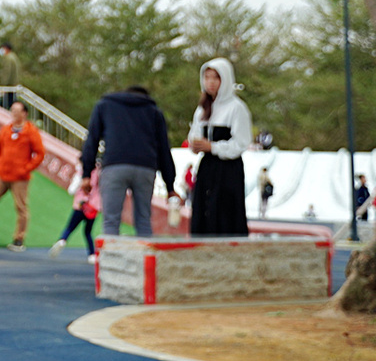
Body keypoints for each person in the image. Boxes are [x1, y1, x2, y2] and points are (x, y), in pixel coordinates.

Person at [80, 86, 179, 238]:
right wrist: (170, 186)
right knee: (143, 220)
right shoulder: (153, 111)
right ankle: (146, 260)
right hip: (145, 168)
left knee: (111, 221)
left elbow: (91, 141)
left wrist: (86, 174)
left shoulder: (105, 106)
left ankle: (112, 260)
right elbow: (163, 149)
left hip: (114, 166)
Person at [188, 58, 252, 236]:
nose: (210, 82)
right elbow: (194, 133)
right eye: (207, 77)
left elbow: (241, 143)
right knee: (203, 211)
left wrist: (213, 147)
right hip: (207, 167)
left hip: (228, 170)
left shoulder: (236, 108)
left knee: (225, 214)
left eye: (215, 78)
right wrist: (196, 145)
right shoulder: (202, 108)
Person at [0, 100, 45, 252]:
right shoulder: (6, 129)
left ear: (24, 113)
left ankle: (19, 238)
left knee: (21, 207)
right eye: (12, 110)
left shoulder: (31, 131)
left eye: (17, 111)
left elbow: (40, 153)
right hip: (2, 174)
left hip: (20, 177)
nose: (14, 113)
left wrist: (26, 168)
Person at [51, 163, 99, 263]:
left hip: (80, 205)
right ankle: (92, 255)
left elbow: (71, 190)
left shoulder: (82, 172)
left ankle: (62, 240)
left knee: (70, 227)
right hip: (93, 207)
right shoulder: (99, 173)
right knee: (88, 232)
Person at [0, 42, 21, 109]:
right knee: (10, 103)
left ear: (6, 49)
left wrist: (3, 84)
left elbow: (7, 72)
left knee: (3, 105)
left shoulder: (8, 58)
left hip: (9, 85)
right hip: (13, 85)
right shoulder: (14, 57)